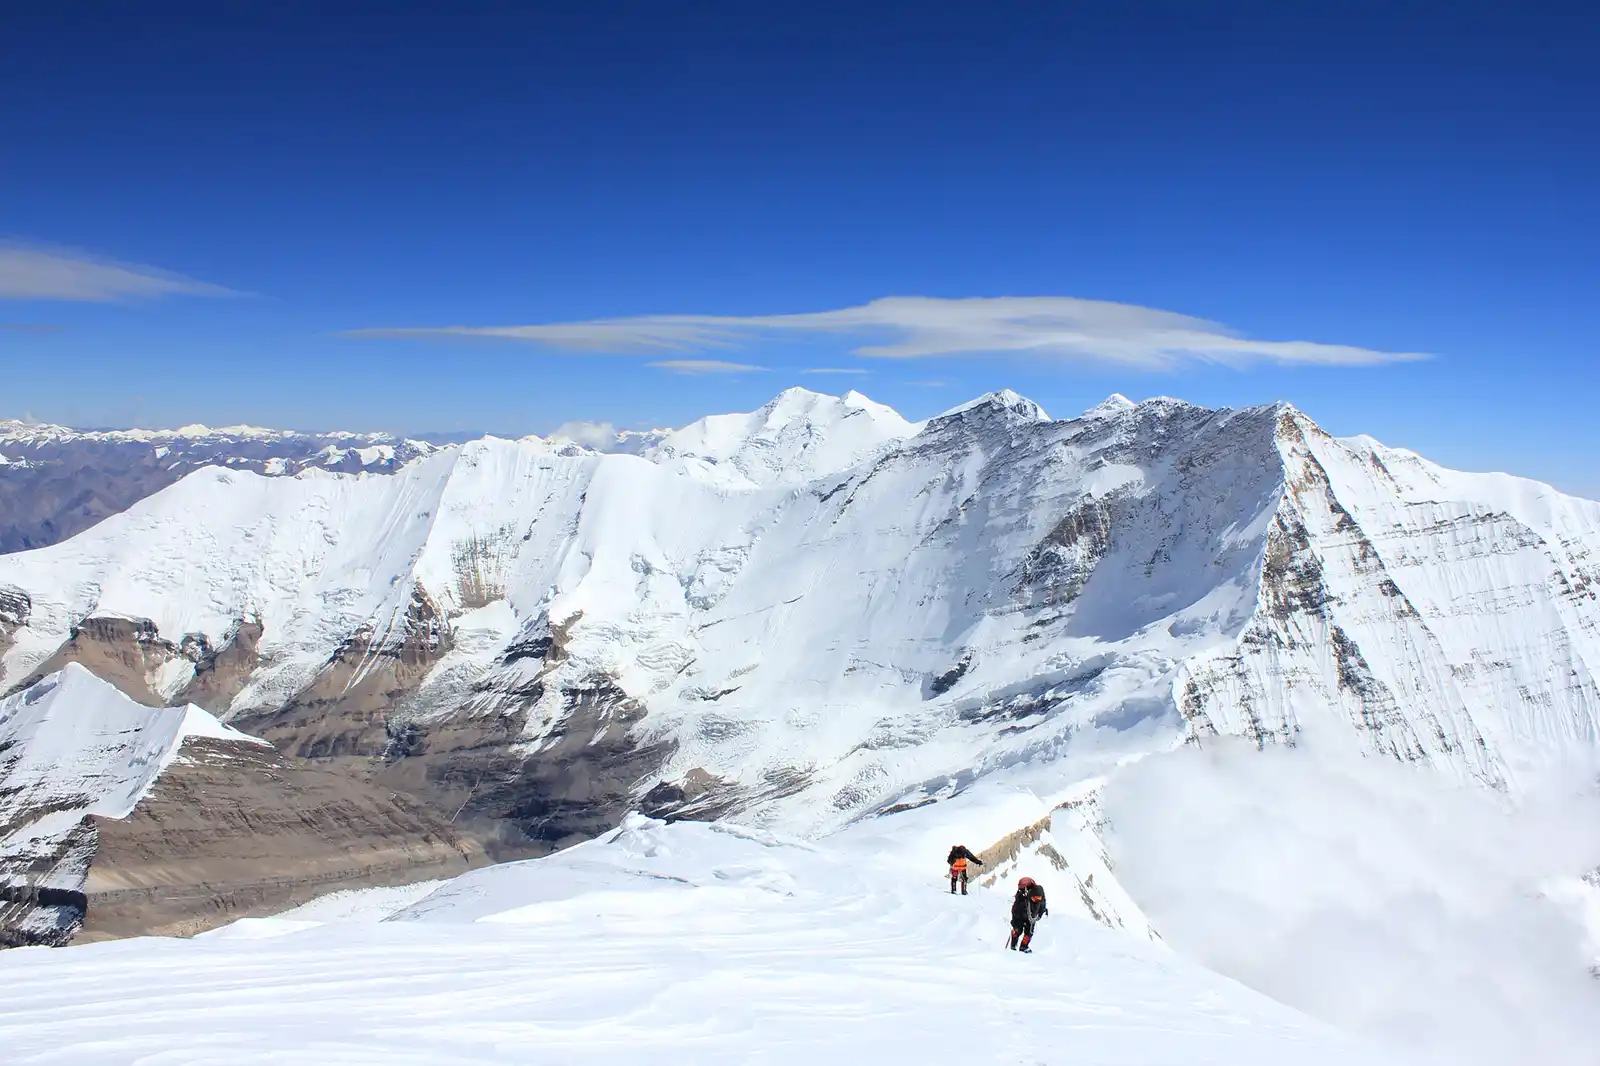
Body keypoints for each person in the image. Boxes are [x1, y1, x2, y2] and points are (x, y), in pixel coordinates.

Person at [1007, 877, 1047, 952]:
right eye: (1035, 898)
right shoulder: (1022, 898)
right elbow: (1016, 910)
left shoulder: (1038, 898)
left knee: (1029, 933)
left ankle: (1023, 947)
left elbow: (1042, 907)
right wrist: (1015, 923)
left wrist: (1039, 915)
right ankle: (1013, 946)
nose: (1036, 900)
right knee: (1018, 930)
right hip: (1020, 916)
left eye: (1038, 898)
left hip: (1031, 916)